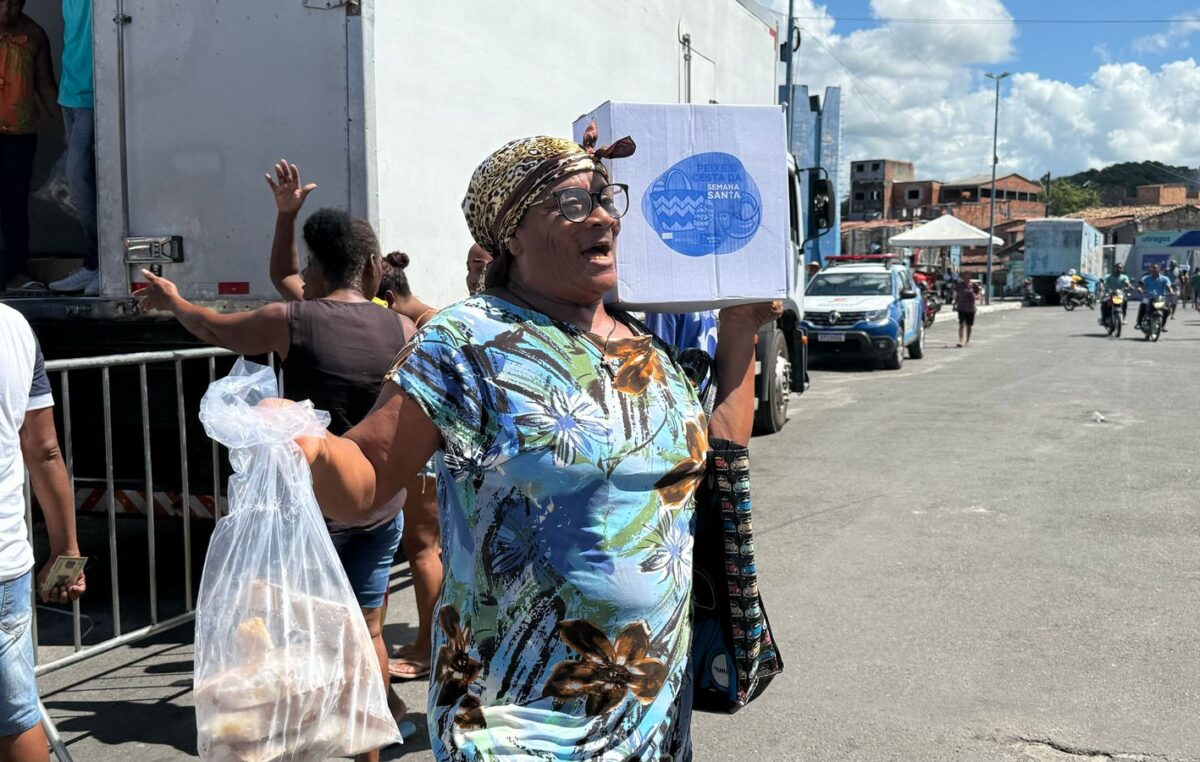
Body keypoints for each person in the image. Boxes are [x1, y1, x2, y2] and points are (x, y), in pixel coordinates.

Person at [291, 131, 777, 760]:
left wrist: (739, 334)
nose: (602, 215)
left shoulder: (643, 347)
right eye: (571, 205)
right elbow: (369, 476)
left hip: (652, 710)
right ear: (512, 236)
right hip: (517, 718)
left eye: (606, 199)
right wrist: (304, 445)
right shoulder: (466, 341)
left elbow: (716, 456)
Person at [137, 161, 411, 759]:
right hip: (380, 506)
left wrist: (174, 299)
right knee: (364, 633)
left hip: (310, 508)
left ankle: (288, 740)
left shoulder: (291, 320)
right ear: (369, 269)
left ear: (316, 267)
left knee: (291, 635)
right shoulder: (401, 327)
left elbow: (211, 325)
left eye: (306, 264)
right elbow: (284, 272)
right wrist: (288, 218)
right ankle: (366, 750)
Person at [1, 303, 86, 762]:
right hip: (4, 559)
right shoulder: (13, 326)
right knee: (13, 714)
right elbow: (45, 450)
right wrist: (65, 549)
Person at [373, 251, 442, 682]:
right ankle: (431, 642)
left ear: (392, 298)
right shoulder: (429, 321)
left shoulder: (428, 327)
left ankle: (429, 645)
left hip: (426, 455)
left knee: (423, 549)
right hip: (426, 454)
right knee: (426, 549)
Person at [0, 0, 58, 292]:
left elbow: (45, 85)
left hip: (19, 135)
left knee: (14, 205)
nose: (8, 9)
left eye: (14, 2)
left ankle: (15, 274)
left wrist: (67, 133)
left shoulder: (33, 34)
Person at [47, 0, 99, 296]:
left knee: (78, 176)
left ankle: (99, 265)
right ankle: (93, 265)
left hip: (94, 95)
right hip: (71, 94)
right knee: (82, 181)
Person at [1135, 263, 1174, 333]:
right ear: (1150, 270)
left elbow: (1169, 287)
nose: (1154, 270)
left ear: (1159, 270)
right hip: (1148, 297)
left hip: (1160, 298)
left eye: (1155, 269)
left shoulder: (1165, 279)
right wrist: (1140, 289)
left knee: (1167, 310)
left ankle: (1163, 325)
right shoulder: (1146, 278)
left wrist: (1171, 292)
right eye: (1152, 269)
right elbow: (1140, 285)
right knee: (1143, 304)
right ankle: (1139, 322)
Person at [955, 276, 979, 347]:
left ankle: (967, 340)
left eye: (968, 277)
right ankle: (960, 340)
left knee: (969, 325)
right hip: (961, 307)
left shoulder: (973, 285)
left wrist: (975, 296)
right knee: (961, 324)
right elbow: (957, 295)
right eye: (965, 276)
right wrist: (955, 304)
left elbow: (978, 293)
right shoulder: (959, 285)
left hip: (970, 308)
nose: (966, 278)